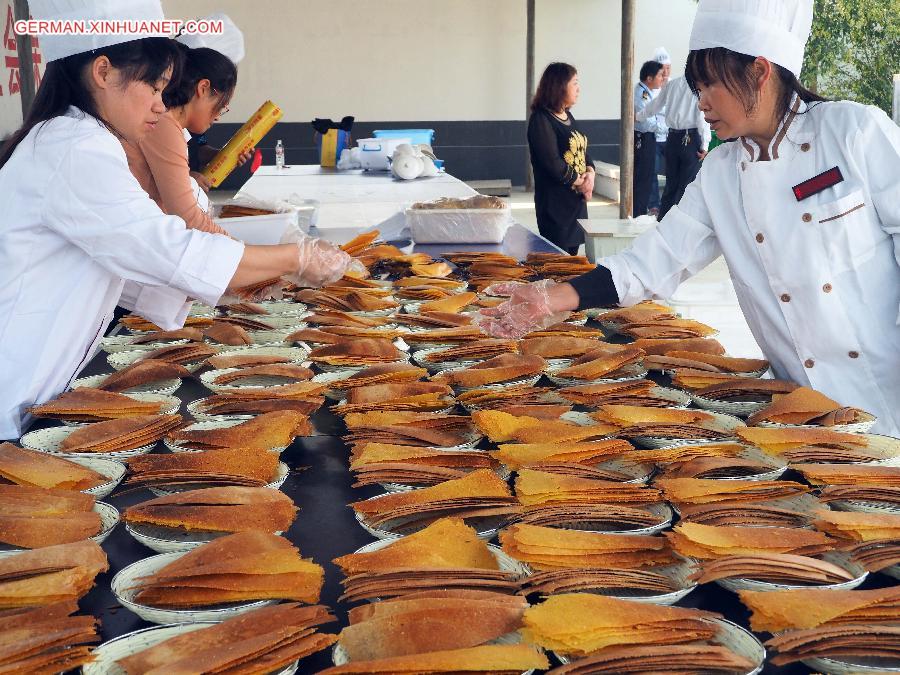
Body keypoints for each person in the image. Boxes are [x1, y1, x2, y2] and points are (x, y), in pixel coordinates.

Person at [476, 0, 900, 437]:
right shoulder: (721, 173)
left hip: (888, 396)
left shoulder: (854, 132)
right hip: (804, 413)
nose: (701, 104)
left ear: (759, 71)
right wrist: (555, 297)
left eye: (709, 87)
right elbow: (658, 258)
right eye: (696, 91)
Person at [0, 0, 357, 439]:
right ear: (103, 72)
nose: (158, 105)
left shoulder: (80, 139)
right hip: (18, 380)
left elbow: (126, 265)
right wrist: (293, 257)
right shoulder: (73, 148)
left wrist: (232, 284)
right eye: (153, 87)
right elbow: (167, 248)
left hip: (39, 379)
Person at [122, 13, 249, 234]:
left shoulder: (170, 124)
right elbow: (187, 217)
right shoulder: (162, 122)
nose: (218, 116)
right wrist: (247, 253)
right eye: (222, 105)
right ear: (203, 87)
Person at [527, 62, 595, 255]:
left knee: (571, 260)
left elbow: (582, 149)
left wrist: (590, 173)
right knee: (558, 261)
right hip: (555, 207)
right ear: (559, 86)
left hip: (576, 204)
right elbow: (552, 162)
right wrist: (580, 182)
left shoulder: (567, 115)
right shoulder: (541, 120)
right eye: (574, 83)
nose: (578, 88)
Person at [636, 74, 712, 219]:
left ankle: (663, 221)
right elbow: (702, 117)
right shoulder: (699, 86)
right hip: (690, 139)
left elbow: (656, 104)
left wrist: (639, 116)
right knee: (686, 185)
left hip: (672, 139)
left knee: (671, 185)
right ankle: (678, 223)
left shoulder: (672, 84)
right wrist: (705, 145)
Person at [633, 61, 667, 217]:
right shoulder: (642, 95)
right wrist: (667, 128)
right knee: (643, 180)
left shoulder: (648, 92)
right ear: (649, 78)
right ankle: (638, 214)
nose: (662, 78)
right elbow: (646, 122)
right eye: (660, 75)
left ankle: (639, 212)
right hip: (643, 138)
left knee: (646, 179)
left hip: (649, 138)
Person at [648, 47, 672, 214]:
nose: (665, 71)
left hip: (671, 137)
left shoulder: (673, 86)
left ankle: (670, 203)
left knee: (673, 172)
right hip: (654, 138)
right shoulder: (651, 87)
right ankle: (654, 205)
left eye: (668, 67)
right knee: (653, 173)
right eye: (662, 68)